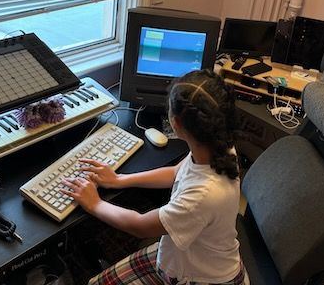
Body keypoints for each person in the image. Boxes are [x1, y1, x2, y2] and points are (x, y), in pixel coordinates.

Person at [61, 69, 248, 285]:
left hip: (201, 277)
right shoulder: (217, 146)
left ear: (175, 124)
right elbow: (175, 172)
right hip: (183, 258)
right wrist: (120, 179)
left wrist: (94, 204)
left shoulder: (203, 195)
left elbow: (139, 226)